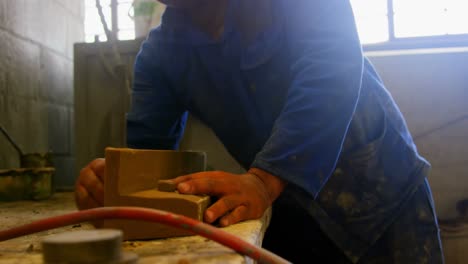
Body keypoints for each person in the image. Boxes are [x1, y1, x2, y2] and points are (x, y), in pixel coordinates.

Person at [75, 0, 445, 263]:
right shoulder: (160, 58)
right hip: (292, 223)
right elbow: (148, 163)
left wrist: (263, 182)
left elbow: (329, 70)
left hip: (387, 202)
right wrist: (115, 189)